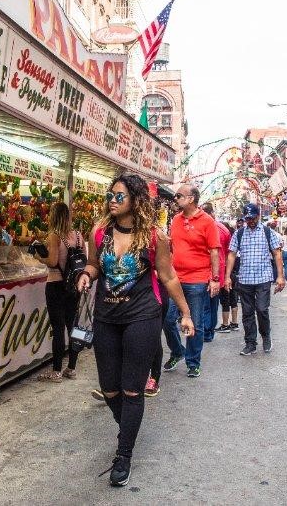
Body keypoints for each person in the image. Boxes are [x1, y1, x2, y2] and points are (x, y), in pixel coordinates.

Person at [76, 174, 194, 487]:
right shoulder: (99, 232)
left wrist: (185, 312)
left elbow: (168, 277)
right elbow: (93, 264)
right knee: (110, 388)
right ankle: (127, 426)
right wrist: (86, 275)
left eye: (119, 196)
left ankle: (123, 454)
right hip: (106, 317)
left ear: (135, 200)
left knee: (132, 389)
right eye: (110, 196)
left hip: (142, 316)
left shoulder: (155, 236)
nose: (112, 201)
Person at [162, 184, 220, 378]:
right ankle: (178, 351)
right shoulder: (176, 220)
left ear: (191, 199)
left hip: (197, 280)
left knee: (195, 323)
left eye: (179, 195)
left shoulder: (207, 221)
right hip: (175, 279)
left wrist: (215, 279)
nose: (175, 198)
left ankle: (193, 362)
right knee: (168, 320)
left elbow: (214, 251)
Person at [225, 203, 286, 356]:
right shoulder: (239, 233)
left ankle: (266, 336)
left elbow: (277, 254)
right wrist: (227, 277)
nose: (250, 221)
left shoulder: (267, 232)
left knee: (262, 309)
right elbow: (231, 255)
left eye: (252, 218)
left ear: (258, 216)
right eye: (247, 218)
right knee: (247, 312)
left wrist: (280, 276)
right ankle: (250, 342)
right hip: (244, 280)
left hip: (263, 278)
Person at [33, 202, 84, 382]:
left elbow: (53, 261)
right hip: (74, 287)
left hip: (56, 286)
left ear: (54, 216)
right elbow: (82, 261)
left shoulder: (55, 236)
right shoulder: (78, 235)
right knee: (73, 327)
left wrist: (39, 256)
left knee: (58, 328)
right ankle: (71, 368)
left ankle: (56, 371)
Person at [201, 202, 231, 341]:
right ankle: (209, 331)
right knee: (212, 305)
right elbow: (227, 253)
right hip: (218, 273)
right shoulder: (224, 229)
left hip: (207, 272)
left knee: (206, 305)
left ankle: (206, 331)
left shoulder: (202, 227)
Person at [218, 221, 240, 332]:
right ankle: (234, 323)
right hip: (234, 274)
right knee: (233, 299)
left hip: (226, 273)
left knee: (225, 300)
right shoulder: (234, 244)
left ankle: (225, 324)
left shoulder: (224, 247)